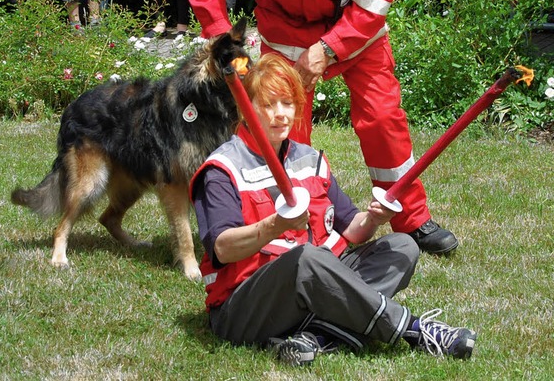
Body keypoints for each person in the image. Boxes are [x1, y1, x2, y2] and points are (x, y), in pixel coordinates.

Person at [187, 0, 458, 255]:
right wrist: (224, 45)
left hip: (356, 37)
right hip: (285, 38)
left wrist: (329, 48)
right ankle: (299, 225)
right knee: (283, 133)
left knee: (383, 119)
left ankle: (411, 218)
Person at [190, 54, 477, 366]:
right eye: (269, 104)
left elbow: (351, 228)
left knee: (402, 246)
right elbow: (222, 248)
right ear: (246, 110)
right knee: (306, 259)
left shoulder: (309, 159)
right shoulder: (222, 169)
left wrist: (374, 219)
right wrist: (273, 226)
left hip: (313, 286)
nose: (281, 114)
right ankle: (413, 329)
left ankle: (318, 336)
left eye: (287, 103)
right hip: (245, 308)